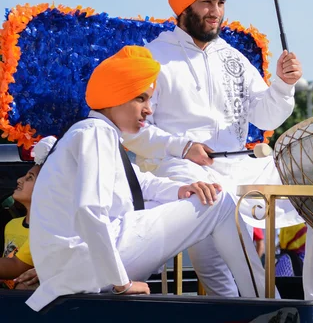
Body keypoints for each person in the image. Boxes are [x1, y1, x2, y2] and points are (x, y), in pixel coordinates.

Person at [121, 0, 313, 300]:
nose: (216, 12)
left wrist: (282, 85)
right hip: (183, 166)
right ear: (184, 6)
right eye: (207, 1)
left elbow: (266, 117)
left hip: (242, 165)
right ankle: (265, 305)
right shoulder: (153, 58)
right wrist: (182, 146)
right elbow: (132, 131)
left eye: (221, 3)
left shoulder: (234, 58)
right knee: (212, 202)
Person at [25, 46, 267, 312]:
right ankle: (268, 304)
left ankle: (240, 304)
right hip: (90, 265)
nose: (149, 110)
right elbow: (90, 210)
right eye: (141, 99)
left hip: (79, 266)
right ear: (115, 97)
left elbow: (139, 183)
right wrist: (121, 283)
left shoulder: (92, 132)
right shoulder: (95, 133)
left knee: (206, 196)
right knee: (220, 203)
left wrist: (184, 189)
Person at [0, 137, 55, 290]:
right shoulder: (11, 225)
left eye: (30, 178)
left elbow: (15, 266)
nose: (19, 180)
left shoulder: (52, 229)